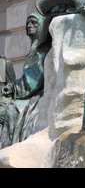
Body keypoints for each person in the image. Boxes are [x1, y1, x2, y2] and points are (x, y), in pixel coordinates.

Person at [0, 13, 51, 148]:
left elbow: (33, 82)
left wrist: (13, 88)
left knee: (5, 112)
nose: (29, 25)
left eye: (34, 23)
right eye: (28, 23)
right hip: (29, 94)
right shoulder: (34, 48)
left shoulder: (41, 50)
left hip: (35, 97)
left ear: (41, 26)